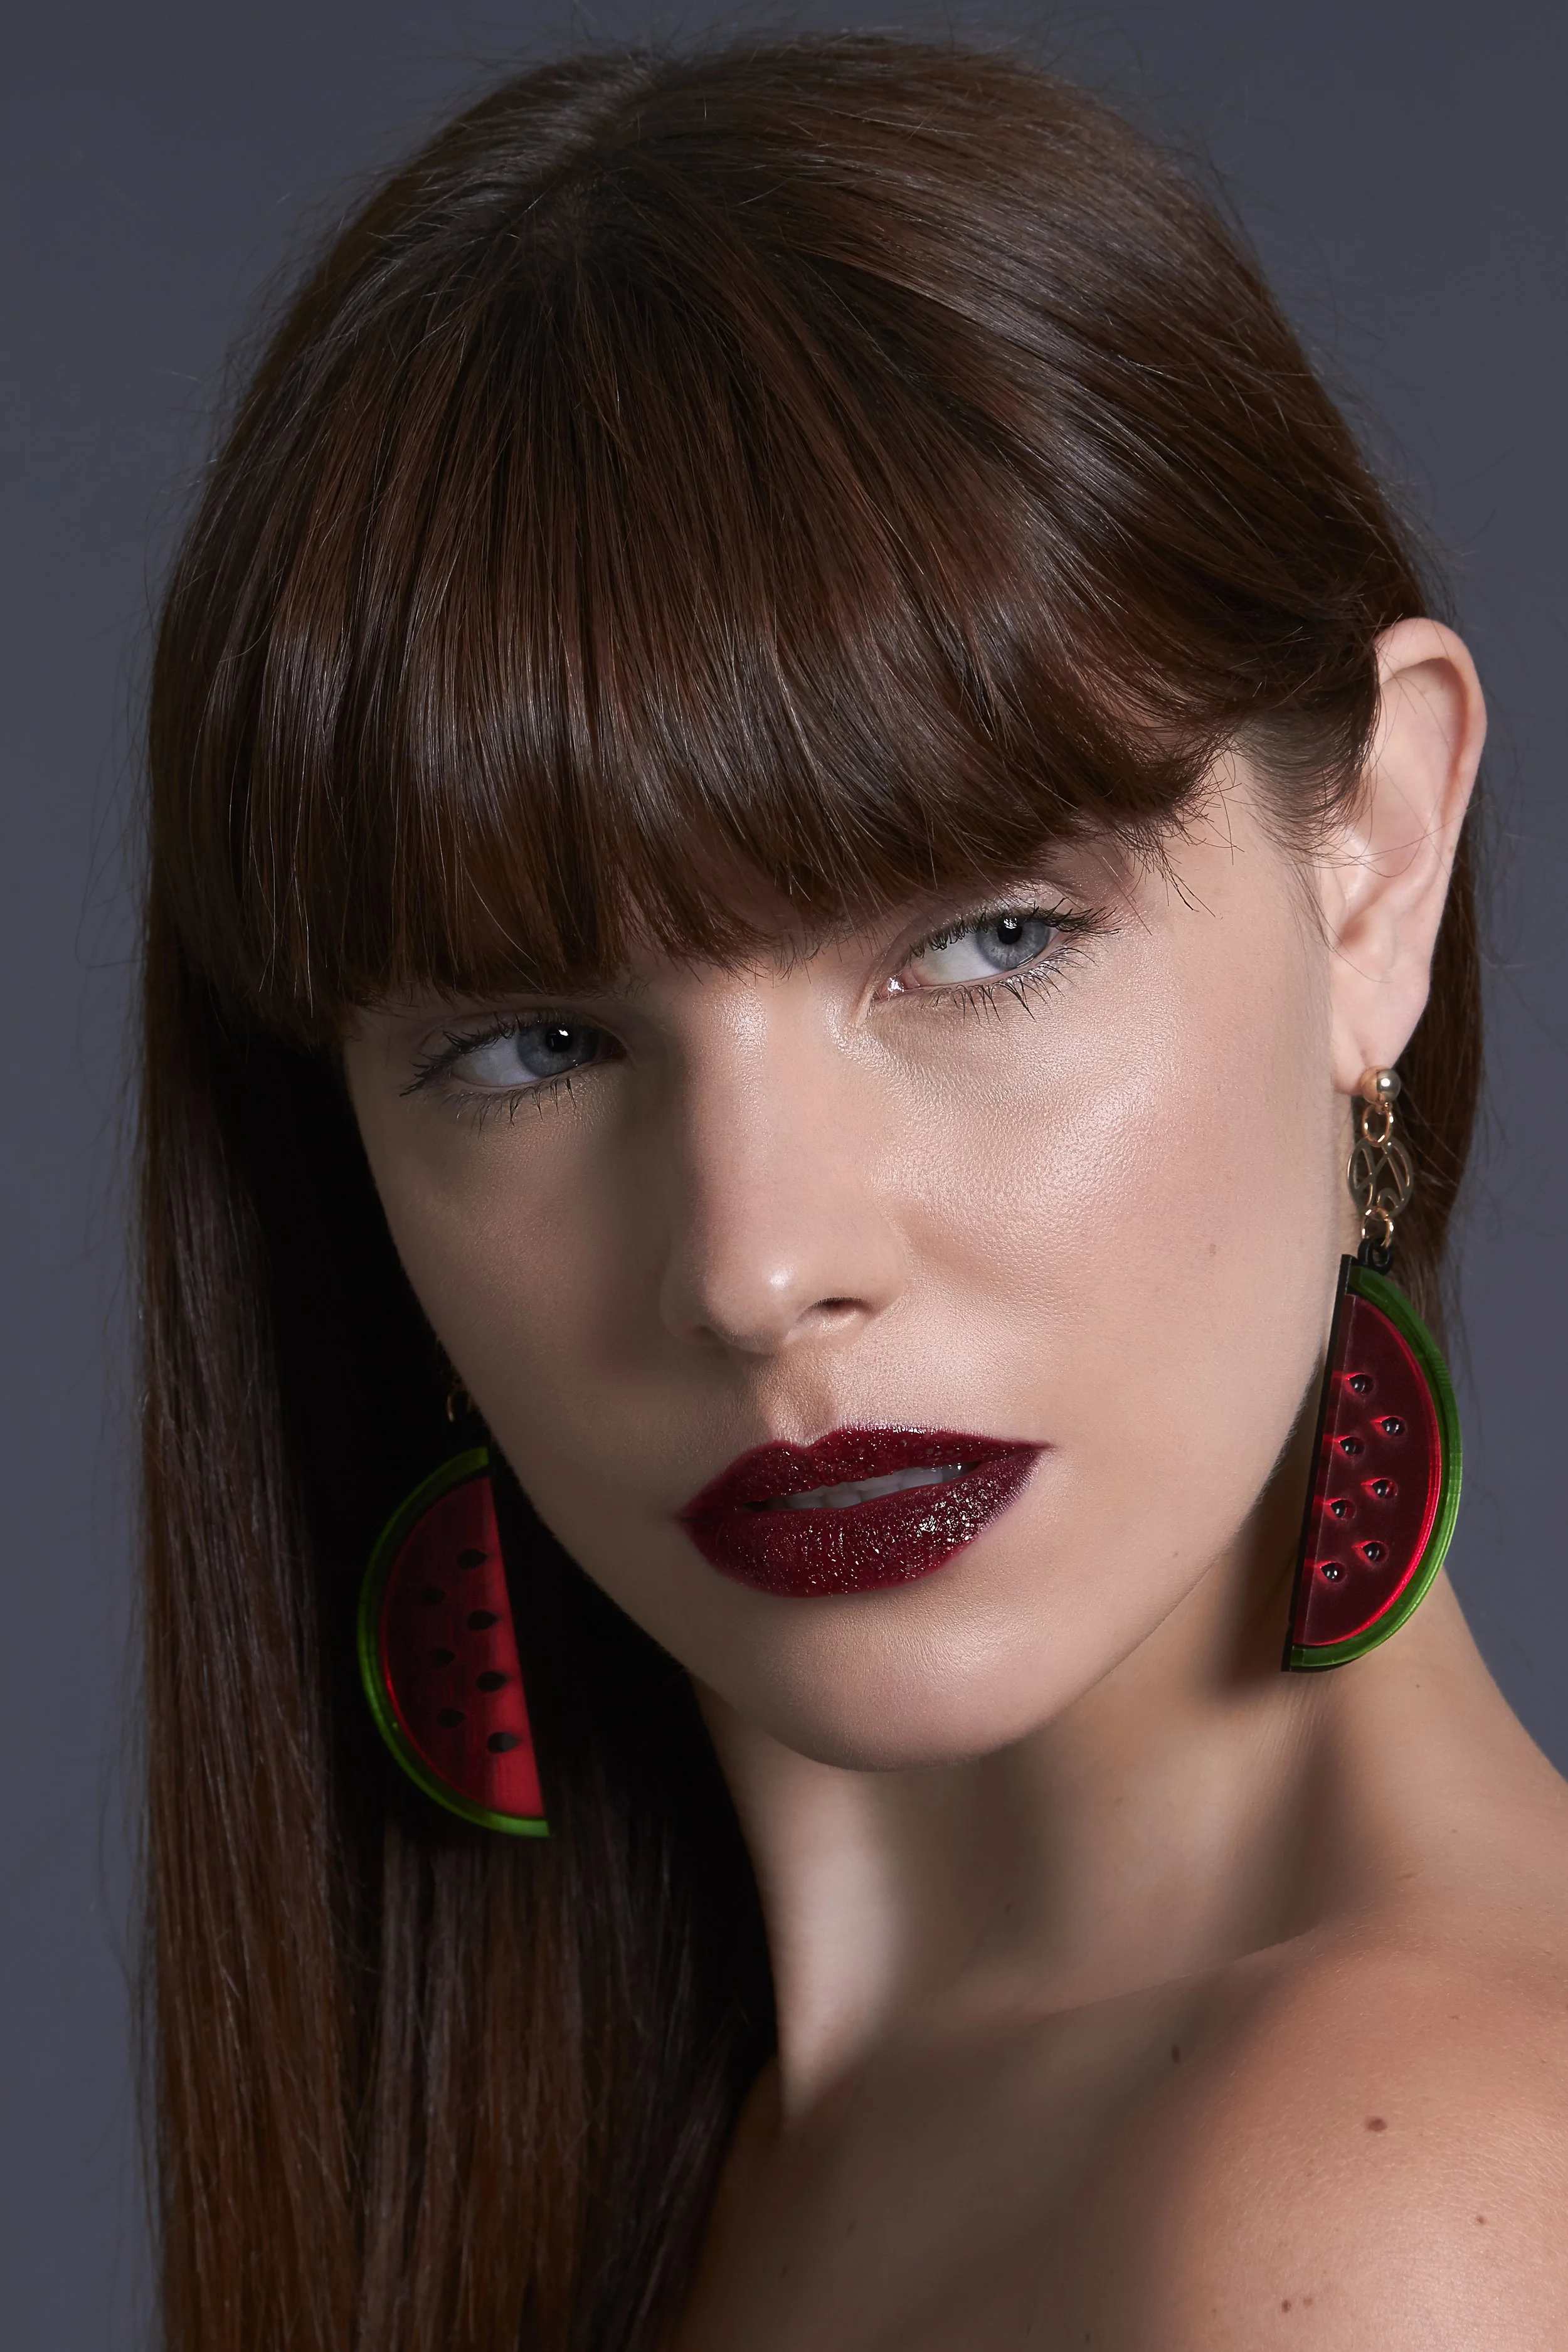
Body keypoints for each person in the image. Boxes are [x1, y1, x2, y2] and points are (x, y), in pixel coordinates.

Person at [139, 33, 1568, 2351]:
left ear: (1376, 864)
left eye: (987, 940)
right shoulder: (703, 2141)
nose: (756, 1259)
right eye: (534, 1040)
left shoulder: (1395, 2232)